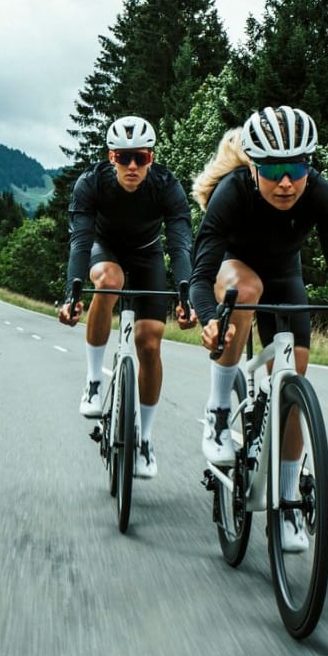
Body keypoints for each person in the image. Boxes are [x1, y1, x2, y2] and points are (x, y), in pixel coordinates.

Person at [189, 106, 328, 552]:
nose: (287, 181)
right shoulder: (232, 193)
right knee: (247, 289)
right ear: (254, 167)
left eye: (297, 168)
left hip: (286, 275)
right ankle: (218, 413)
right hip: (234, 271)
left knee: (294, 380)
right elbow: (200, 277)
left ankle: (289, 500)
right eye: (274, 170)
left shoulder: (322, 196)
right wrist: (210, 319)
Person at [57, 115, 197, 479]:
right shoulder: (90, 183)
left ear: (151, 158)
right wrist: (72, 293)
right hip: (106, 249)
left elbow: (181, 245)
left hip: (148, 254)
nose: (132, 166)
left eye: (141, 158)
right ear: (111, 157)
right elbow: (80, 240)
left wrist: (187, 294)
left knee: (150, 343)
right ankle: (93, 380)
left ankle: (145, 439)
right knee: (109, 280)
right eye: (124, 158)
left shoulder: (167, 187)